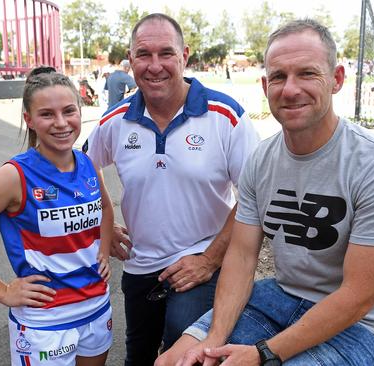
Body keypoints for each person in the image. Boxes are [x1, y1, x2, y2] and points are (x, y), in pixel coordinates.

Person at [157, 18, 374, 366]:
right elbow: (242, 257)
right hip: (280, 296)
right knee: (172, 361)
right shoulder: (261, 160)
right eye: (279, 77)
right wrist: (213, 341)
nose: (290, 89)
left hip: (362, 326)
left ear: (336, 79)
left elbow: (358, 296)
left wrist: (263, 354)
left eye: (307, 74)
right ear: (266, 85)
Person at [84, 13, 260, 366]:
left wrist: (209, 260)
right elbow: (80, 169)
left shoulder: (225, 116)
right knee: (138, 355)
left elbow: (255, 198)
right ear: (130, 59)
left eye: (166, 53)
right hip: (139, 266)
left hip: (200, 263)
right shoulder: (114, 121)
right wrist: (104, 223)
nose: (155, 66)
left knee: (186, 352)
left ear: (185, 56)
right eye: (143, 55)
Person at [0, 66, 114, 366]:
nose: (61, 123)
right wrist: (3, 291)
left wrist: (104, 252)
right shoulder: (13, 176)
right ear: (29, 120)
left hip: (96, 306)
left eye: (69, 111)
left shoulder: (87, 163)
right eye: (47, 114)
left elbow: (106, 209)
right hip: (45, 320)